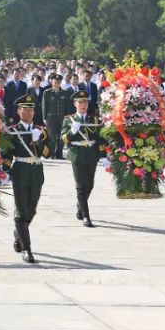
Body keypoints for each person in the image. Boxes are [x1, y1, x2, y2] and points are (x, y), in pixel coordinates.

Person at [3, 94, 49, 264]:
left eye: (31, 109)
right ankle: (27, 249)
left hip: (36, 171)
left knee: (31, 209)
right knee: (22, 210)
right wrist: (5, 172)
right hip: (20, 171)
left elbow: (48, 153)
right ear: (19, 111)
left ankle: (19, 233)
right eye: (25, 109)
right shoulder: (13, 130)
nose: (29, 112)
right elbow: (7, 154)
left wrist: (40, 141)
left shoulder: (41, 130)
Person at [61, 89, 105, 227]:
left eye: (85, 102)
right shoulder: (69, 120)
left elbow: (100, 139)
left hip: (91, 154)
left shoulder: (94, 120)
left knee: (90, 185)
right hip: (77, 154)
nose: (83, 105)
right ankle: (86, 216)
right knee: (81, 186)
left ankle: (80, 205)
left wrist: (104, 156)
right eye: (80, 102)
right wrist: (72, 131)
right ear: (75, 104)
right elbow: (63, 139)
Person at [42, 74, 71, 159]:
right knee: (52, 138)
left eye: (58, 82)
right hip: (51, 119)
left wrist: (67, 117)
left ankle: (59, 154)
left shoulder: (65, 93)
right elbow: (44, 106)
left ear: (60, 83)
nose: (56, 84)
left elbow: (67, 107)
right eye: (55, 82)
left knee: (61, 137)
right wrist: (44, 118)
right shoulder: (47, 92)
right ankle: (51, 154)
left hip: (62, 118)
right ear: (51, 82)